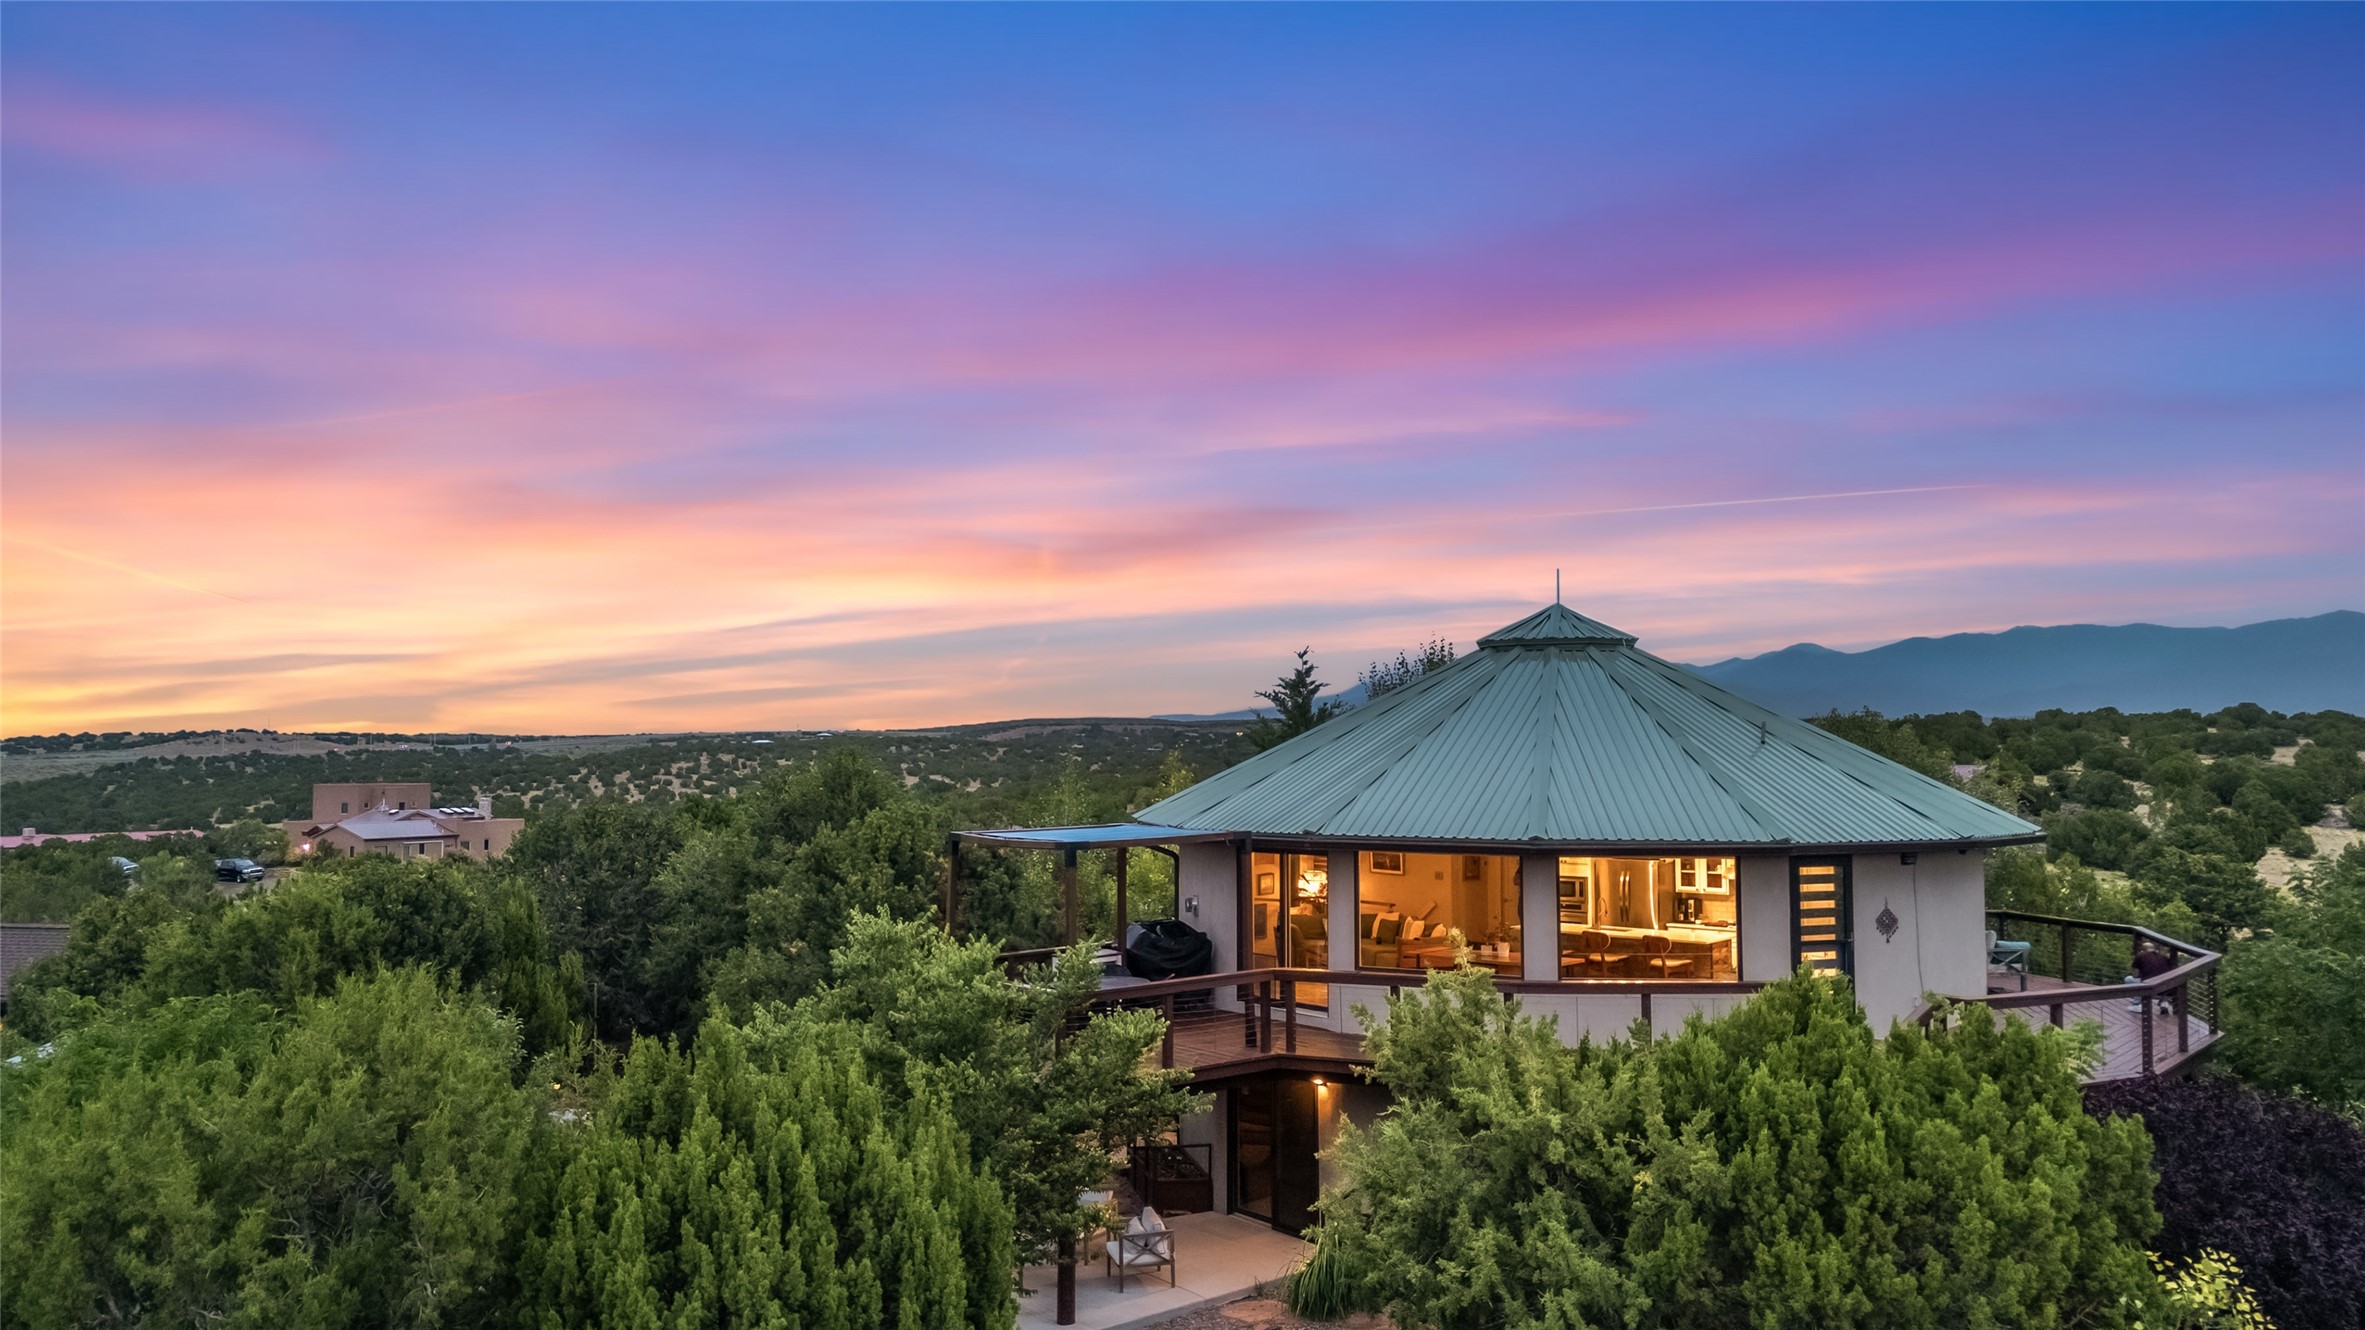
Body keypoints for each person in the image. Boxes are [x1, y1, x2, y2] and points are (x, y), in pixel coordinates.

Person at [2127, 941, 2176, 1016]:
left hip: (2149, 986)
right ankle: (2164, 1003)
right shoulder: (2163, 957)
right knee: (2158, 981)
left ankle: (2138, 1004)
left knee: (2129, 979)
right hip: (2166, 987)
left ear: (2143, 949)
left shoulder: (2140, 955)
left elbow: (2135, 975)